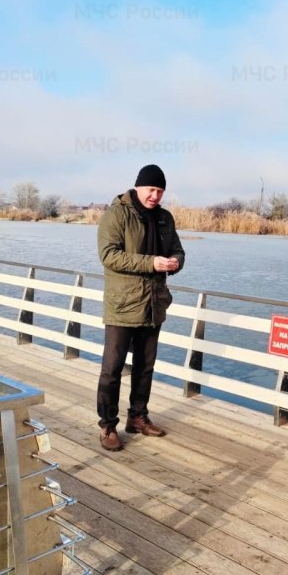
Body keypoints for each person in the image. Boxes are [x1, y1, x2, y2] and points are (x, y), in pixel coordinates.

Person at [96, 164, 185, 451]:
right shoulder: (116, 214)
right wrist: (151, 263)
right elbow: (109, 256)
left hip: (153, 305)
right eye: (151, 190)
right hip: (122, 305)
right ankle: (107, 426)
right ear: (138, 187)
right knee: (112, 368)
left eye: (160, 191)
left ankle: (138, 417)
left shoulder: (164, 218)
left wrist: (175, 262)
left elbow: (178, 249)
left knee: (145, 367)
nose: (155, 196)